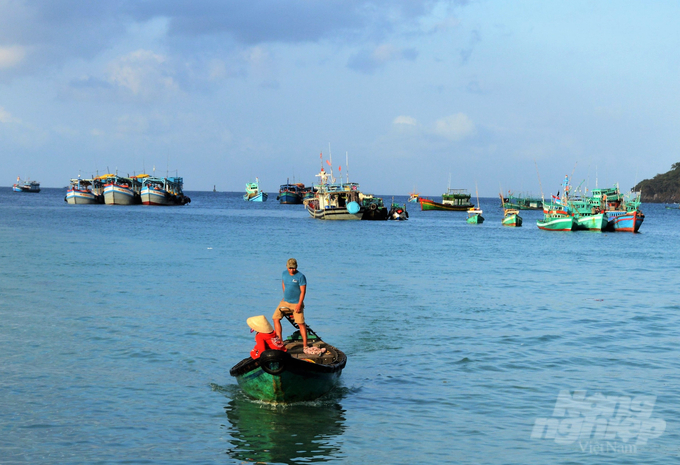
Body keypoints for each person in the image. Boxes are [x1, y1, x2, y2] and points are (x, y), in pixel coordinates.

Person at [272, 258, 308, 349]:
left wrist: (299, 304)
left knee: (300, 323)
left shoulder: (301, 276)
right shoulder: (284, 273)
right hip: (285, 302)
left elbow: (303, 291)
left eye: (294, 268)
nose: (292, 270)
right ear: (287, 267)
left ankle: (305, 345)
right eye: (290, 268)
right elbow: (284, 283)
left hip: (296, 303)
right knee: (275, 318)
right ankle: (280, 341)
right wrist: (285, 296)